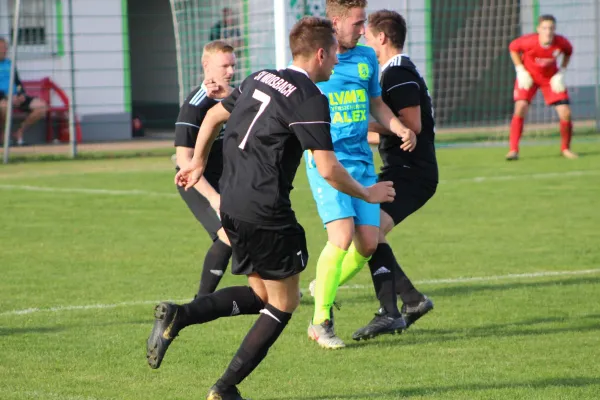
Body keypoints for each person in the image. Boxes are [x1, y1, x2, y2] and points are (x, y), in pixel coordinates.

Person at [146, 16, 395, 400]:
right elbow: (328, 168)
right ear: (320, 53)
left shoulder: (260, 77)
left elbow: (213, 115)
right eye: (333, 56)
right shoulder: (310, 98)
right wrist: (367, 193)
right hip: (266, 210)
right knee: (286, 302)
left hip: (232, 204)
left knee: (263, 295)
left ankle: (181, 314)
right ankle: (225, 388)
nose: (335, 63)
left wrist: (196, 162)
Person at [306, 0, 416, 350]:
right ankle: (321, 321)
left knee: (368, 244)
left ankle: (325, 284)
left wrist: (398, 128)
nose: (363, 28)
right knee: (341, 236)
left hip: (362, 162)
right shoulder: (319, 58)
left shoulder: (368, 56)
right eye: (357, 22)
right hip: (328, 160)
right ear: (335, 23)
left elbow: (377, 104)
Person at [352, 9, 437, 340]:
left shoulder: (398, 73)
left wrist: (358, 125)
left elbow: (409, 127)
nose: (363, 39)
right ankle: (408, 302)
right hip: (401, 170)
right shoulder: (389, 72)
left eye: (367, 34)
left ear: (382, 38)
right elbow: (385, 132)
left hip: (412, 173)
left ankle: (394, 309)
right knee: (369, 234)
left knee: (368, 232)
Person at [173, 40, 236, 298]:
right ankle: (201, 301)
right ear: (206, 65)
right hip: (197, 184)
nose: (231, 71)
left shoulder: (235, 97)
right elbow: (184, 161)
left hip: (228, 181)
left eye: (233, 65)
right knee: (230, 237)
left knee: (245, 234)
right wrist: (214, 198)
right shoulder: (195, 104)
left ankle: (273, 290)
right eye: (225, 66)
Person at [507, 15, 577, 160]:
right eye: (544, 28)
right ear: (538, 29)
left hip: (550, 80)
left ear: (554, 29)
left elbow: (569, 51)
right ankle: (513, 150)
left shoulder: (561, 42)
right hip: (529, 78)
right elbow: (513, 48)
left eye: (551, 28)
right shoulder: (529, 41)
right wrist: (520, 70)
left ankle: (565, 149)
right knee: (520, 107)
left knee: (566, 112)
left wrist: (561, 73)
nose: (548, 32)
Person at [0, 37, 48, 146]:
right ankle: (4, 135)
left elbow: (18, 83)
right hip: (2, 98)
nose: (4, 51)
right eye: (1, 48)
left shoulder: (10, 64)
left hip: (15, 97)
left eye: (5, 48)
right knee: (4, 107)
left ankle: (20, 132)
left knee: (41, 107)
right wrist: (7, 97)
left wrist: (21, 94)